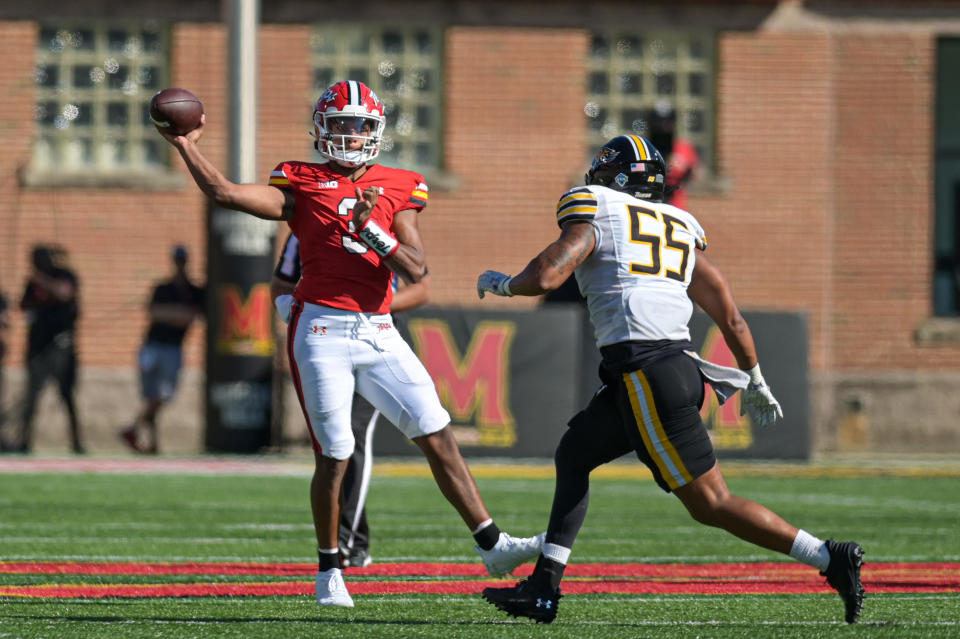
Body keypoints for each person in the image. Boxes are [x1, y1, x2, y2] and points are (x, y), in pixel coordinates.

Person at [156, 79, 543, 608]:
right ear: (322, 128)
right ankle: (329, 568)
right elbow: (225, 193)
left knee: (437, 432)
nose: (351, 134)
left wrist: (371, 230)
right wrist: (187, 145)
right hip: (320, 330)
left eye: (361, 125)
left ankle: (493, 544)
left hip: (379, 329)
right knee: (336, 454)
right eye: (341, 124)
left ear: (377, 131)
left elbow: (415, 267)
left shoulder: (400, 184)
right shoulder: (301, 181)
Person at [476, 135, 865, 624]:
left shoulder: (597, 207)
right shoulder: (681, 225)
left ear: (610, 177)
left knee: (711, 503)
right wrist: (756, 377)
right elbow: (729, 313)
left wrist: (506, 284)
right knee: (574, 454)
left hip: (646, 371)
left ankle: (830, 558)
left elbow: (553, 272)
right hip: (664, 369)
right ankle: (544, 587)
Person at [271, 231, 431, 569]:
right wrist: (294, 308)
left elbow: (421, 287)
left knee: (357, 432)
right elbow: (281, 285)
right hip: (326, 338)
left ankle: (343, 540)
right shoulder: (305, 228)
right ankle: (355, 539)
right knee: (334, 439)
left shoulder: (384, 223)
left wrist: (369, 308)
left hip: (378, 338)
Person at [119, 245, 204, 454]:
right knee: (151, 396)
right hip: (152, 346)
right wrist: (178, 314)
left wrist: (171, 314)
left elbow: (191, 317)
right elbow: (154, 313)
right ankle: (153, 444)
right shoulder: (163, 288)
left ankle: (133, 427)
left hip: (172, 349)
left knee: (163, 396)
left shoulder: (194, 291)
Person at [10, 245, 84, 454]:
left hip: (61, 345)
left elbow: (65, 293)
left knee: (67, 395)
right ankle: (24, 442)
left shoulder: (64, 275)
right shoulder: (32, 283)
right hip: (37, 346)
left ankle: (77, 443)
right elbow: (24, 305)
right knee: (32, 395)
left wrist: (43, 281)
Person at [648, 102, 700, 211]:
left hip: (676, 208)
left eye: (667, 123)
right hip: (649, 208)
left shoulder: (683, 148)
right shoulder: (644, 148)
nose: (663, 127)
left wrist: (685, 171)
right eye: (658, 123)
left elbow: (697, 174)